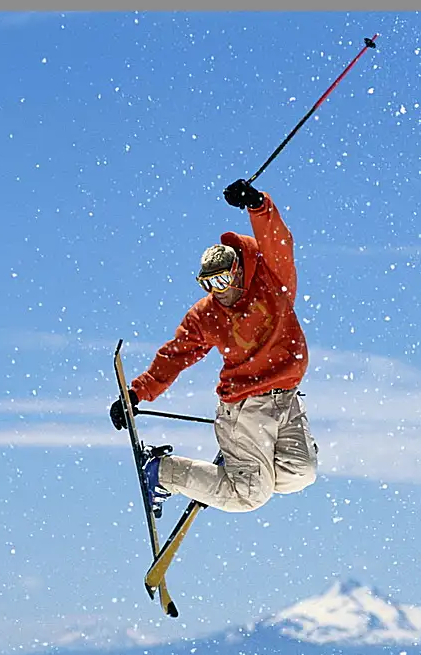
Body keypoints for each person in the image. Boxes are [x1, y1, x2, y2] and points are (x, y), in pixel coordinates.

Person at [110, 178, 318, 518]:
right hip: (244, 405)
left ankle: (238, 468)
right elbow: (175, 356)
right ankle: (162, 471)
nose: (217, 291)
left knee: (300, 473)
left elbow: (279, 241)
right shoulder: (207, 314)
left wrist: (256, 203)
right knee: (250, 496)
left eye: (221, 281)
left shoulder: (272, 281)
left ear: (238, 272)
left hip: (286, 397)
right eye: (208, 284)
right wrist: (136, 393)